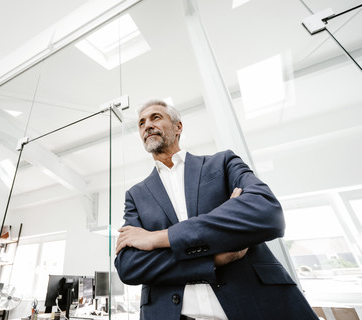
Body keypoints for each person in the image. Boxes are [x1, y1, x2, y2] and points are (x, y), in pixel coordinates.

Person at [114, 99, 318, 320]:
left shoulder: (222, 163)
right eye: (141, 123)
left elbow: (267, 213)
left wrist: (159, 238)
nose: (147, 125)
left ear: (178, 126)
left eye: (155, 117)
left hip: (255, 306)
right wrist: (214, 259)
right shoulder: (136, 194)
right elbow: (129, 266)